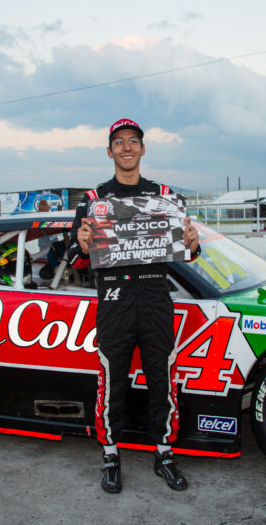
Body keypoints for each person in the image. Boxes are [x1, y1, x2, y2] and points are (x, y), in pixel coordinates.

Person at [68, 118, 200, 494]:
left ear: (143, 149)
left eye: (133, 142)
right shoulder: (94, 201)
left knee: (163, 380)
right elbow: (76, 259)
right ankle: (110, 455)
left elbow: (187, 252)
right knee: (112, 383)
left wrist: (191, 240)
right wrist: (80, 242)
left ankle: (165, 454)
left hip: (156, 295)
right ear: (109, 151)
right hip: (114, 298)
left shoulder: (166, 195)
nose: (127, 148)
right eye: (119, 142)